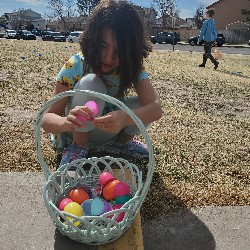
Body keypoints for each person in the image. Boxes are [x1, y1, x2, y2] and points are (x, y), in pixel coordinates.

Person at [41, 0, 162, 167]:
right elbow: (46, 120)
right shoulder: (76, 64)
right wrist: (67, 122)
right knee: (92, 82)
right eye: (103, 46)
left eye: (120, 51)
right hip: (74, 131)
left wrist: (125, 118)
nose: (109, 58)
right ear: (91, 40)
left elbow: (155, 109)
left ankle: (122, 144)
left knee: (146, 103)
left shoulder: (132, 67)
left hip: (108, 132)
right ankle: (78, 147)